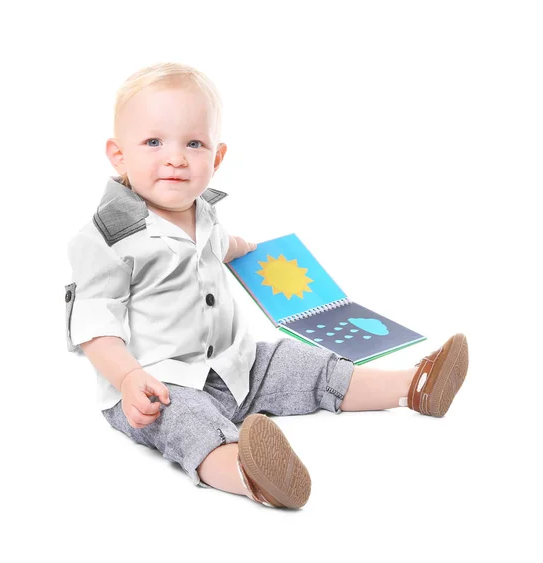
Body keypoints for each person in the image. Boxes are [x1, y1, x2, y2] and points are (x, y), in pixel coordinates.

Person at [64, 62, 469, 509]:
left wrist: (248, 249)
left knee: (297, 362)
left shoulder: (202, 212)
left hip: (235, 366)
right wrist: (128, 377)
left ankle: (413, 385)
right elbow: (94, 323)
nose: (176, 157)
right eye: (154, 142)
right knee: (186, 422)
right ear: (119, 154)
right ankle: (249, 474)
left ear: (216, 158)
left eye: (194, 143)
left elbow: (220, 244)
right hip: (155, 383)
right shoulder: (107, 238)